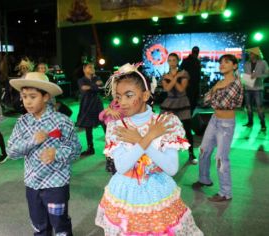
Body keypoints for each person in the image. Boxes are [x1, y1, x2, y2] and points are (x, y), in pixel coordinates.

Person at [95, 63, 203, 235]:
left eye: (129, 95)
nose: (122, 102)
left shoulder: (166, 122)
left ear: (145, 95)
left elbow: (171, 168)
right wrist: (145, 139)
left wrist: (139, 140)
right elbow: (122, 167)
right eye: (118, 96)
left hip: (158, 193)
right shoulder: (116, 126)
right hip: (124, 194)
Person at [7, 72, 81, 235]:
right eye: (24, 96)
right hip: (32, 184)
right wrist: (32, 141)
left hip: (56, 184)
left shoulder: (63, 121)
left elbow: (76, 150)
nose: (27, 101)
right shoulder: (22, 122)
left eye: (33, 96)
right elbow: (11, 151)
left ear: (46, 97)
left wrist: (57, 153)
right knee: (38, 224)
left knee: (60, 223)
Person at [192, 54, 243, 202]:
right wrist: (215, 90)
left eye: (227, 62)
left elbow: (221, 103)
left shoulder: (236, 83)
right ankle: (204, 179)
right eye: (221, 62)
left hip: (226, 124)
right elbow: (205, 100)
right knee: (203, 150)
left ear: (234, 66)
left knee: (221, 158)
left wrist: (214, 91)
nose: (222, 64)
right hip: (214, 120)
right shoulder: (220, 82)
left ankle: (225, 193)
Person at [161, 53, 198, 164]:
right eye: (170, 60)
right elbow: (167, 88)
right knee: (165, 130)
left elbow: (181, 89)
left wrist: (173, 78)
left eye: (174, 60)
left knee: (187, 129)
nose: (172, 62)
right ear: (167, 62)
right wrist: (175, 78)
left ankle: (191, 154)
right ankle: (164, 153)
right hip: (170, 102)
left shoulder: (184, 73)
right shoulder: (165, 75)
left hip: (182, 102)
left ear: (177, 61)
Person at [76, 60, 105, 157]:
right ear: (84, 69)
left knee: (105, 124)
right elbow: (84, 88)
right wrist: (95, 86)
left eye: (93, 67)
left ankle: (111, 145)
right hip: (86, 104)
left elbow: (101, 87)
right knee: (88, 127)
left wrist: (92, 87)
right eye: (89, 67)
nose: (92, 68)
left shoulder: (97, 77)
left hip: (97, 104)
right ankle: (90, 148)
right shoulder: (81, 80)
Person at [243, 47, 269, 131]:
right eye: (249, 53)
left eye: (251, 53)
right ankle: (250, 122)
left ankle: (263, 124)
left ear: (256, 54)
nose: (250, 55)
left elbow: (267, 74)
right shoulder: (246, 63)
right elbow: (246, 75)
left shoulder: (263, 62)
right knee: (248, 106)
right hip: (248, 87)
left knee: (259, 107)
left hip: (258, 88)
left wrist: (257, 76)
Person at [180, 46, 201, 114]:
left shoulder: (190, 60)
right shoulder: (194, 61)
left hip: (191, 85)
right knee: (190, 103)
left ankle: (187, 118)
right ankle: (187, 118)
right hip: (189, 85)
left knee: (191, 103)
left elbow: (181, 70)